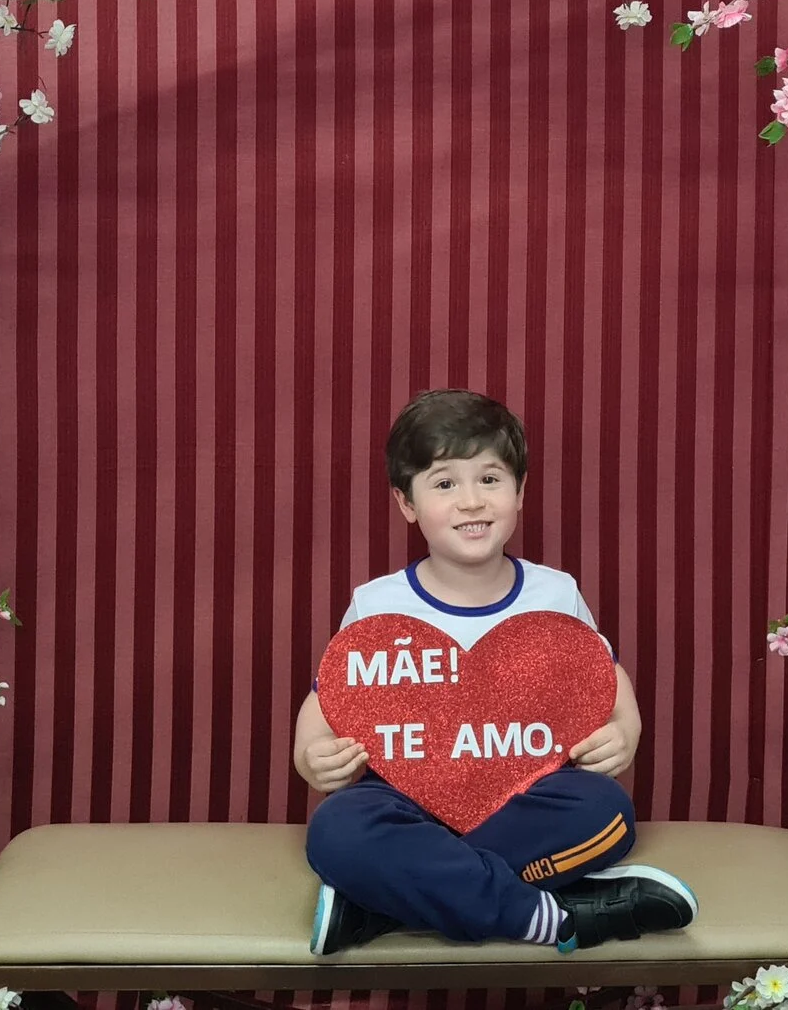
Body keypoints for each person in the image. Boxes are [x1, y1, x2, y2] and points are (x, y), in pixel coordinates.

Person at [295, 389, 699, 955]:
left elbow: (606, 676)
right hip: (406, 802)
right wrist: (312, 755)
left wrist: (624, 731)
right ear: (406, 503)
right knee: (337, 829)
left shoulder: (555, 593)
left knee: (606, 813)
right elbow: (326, 702)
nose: (470, 501)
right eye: (444, 484)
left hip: (527, 794)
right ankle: (551, 917)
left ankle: (379, 906)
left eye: (489, 479)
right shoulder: (377, 605)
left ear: (519, 491)